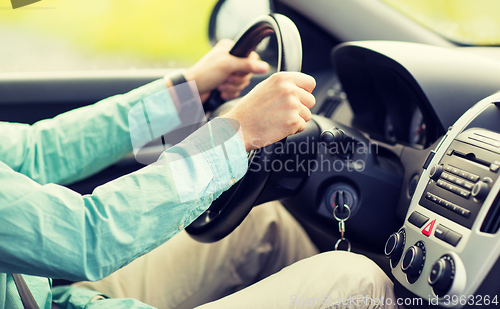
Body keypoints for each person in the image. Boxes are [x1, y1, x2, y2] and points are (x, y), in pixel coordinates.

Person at [0, 40, 399, 309]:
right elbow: (85, 238)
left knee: (261, 221)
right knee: (358, 282)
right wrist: (235, 133)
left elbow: (36, 150)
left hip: (46, 294)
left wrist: (185, 93)